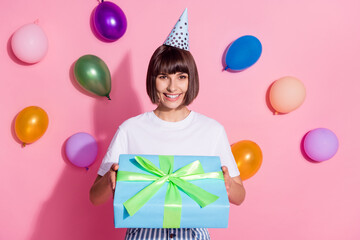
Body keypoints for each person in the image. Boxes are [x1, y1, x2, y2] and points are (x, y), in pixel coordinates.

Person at [90, 9, 245, 240]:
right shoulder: (130, 130)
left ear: (191, 79)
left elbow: (239, 196)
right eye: (164, 77)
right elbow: (95, 197)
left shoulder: (212, 130)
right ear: (153, 80)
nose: (173, 87)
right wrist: (109, 182)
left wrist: (228, 184)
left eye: (181, 77)